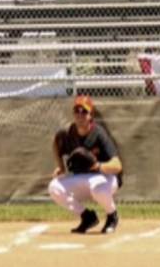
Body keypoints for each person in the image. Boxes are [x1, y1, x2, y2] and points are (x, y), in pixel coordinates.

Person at [49, 94, 122, 234]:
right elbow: (55, 142)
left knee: (97, 188)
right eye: (77, 110)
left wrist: (97, 166)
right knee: (54, 187)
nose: (80, 114)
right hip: (85, 179)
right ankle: (87, 217)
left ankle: (112, 215)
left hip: (107, 178)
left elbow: (118, 166)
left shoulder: (98, 134)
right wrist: (60, 166)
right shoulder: (70, 132)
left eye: (84, 111)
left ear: (91, 114)